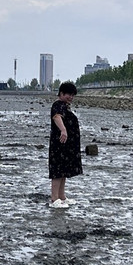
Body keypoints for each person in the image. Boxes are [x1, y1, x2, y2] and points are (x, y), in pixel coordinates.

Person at [48, 81, 82, 209]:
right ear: (61, 93)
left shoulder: (64, 106)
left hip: (66, 145)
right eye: (69, 94)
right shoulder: (58, 105)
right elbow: (57, 117)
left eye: (73, 95)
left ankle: (61, 196)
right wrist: (63, 130)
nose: (71, 97)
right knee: (57, 170)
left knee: (63, 170)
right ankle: (54, 197)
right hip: (59, 144)